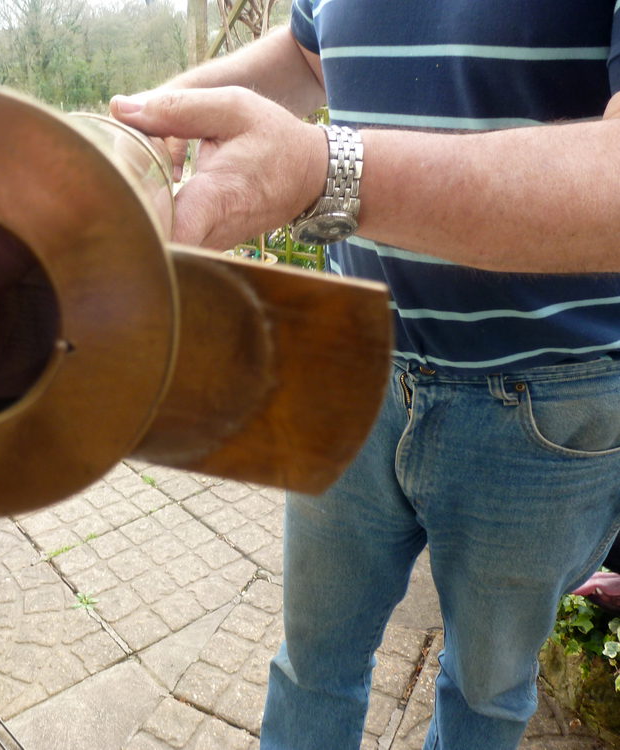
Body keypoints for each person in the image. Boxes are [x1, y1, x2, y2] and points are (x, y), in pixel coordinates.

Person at [108, 3, 620, 749]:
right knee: (311, 662)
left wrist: (326, 172)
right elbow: (307, 56)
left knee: (486, 692)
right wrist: (142, 129)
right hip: (346, 357)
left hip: (542, 403)